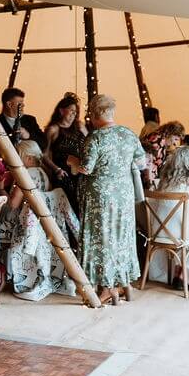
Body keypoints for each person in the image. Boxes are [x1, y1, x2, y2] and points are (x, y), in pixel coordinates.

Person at [68, 94, 144, 305]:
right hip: (124, 196)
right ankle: (124, 282)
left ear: (93, 114)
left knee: (101, 240)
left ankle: (107, 287)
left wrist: (72, 160)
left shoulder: (96, 138)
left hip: (100, 199)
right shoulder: (128, 134)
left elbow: (85, 168)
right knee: (121, 238)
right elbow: (141, 161)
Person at [1, 140, 79, 300]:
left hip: (28, 229)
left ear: (28, 158)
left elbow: (13, 204)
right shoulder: (44, 173)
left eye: (19, 157)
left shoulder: (26, 175)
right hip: (46, 230)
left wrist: (1, 188)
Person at [151, 146, 189, 290]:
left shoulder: (166, 174)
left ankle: (178, 275)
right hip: (182, 230)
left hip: (159, 230)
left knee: (187, 236)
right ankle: (184, 275)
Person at [42, 92, 88, 213]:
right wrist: (56, 169)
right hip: (63, 175)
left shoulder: (80, 126)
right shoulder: (53, 129)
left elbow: (90, 146)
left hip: (81, 174)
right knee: (69, 209)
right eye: (71, 110)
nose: (74, 113)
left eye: (76, 111)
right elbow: (44, 155)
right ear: (62, 111)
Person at [0, 87, 44, 155]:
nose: (23, 105)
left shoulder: (30, 120)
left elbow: (43, 143)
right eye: (20, 103)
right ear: (9, 104)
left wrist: (28, 136)